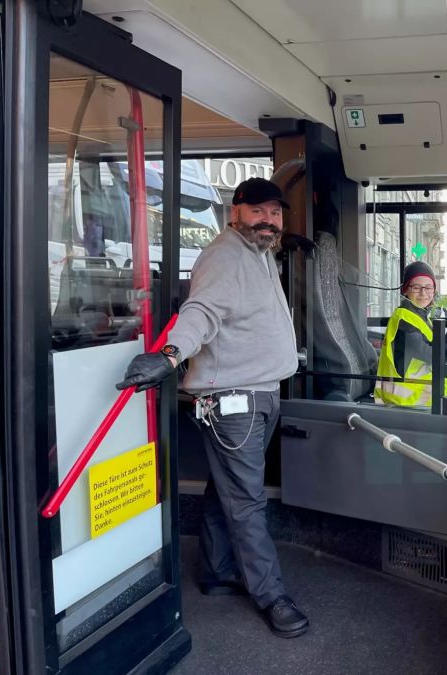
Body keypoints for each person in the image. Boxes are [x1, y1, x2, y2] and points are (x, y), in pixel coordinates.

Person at [116, 178, 310, 639]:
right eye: (258, 211)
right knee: (247, 500)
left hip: (259, 393)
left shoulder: (260, 254)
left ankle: (217, 569)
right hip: (235, 401)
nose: (269, 220)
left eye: (276, 213)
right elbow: (200, 312)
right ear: (234, 213)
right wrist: (169, 354)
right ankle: (271, 595)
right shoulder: (225, 256)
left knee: (225, 488)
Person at [375, 261, 447, 407]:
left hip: (423, 384)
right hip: (405, 392)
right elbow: (431, 354)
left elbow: (438, 347)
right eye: (416, 287)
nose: (423, 293)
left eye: (428, 287)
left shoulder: (420, 316)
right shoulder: (403, 319)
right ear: (405, 290)